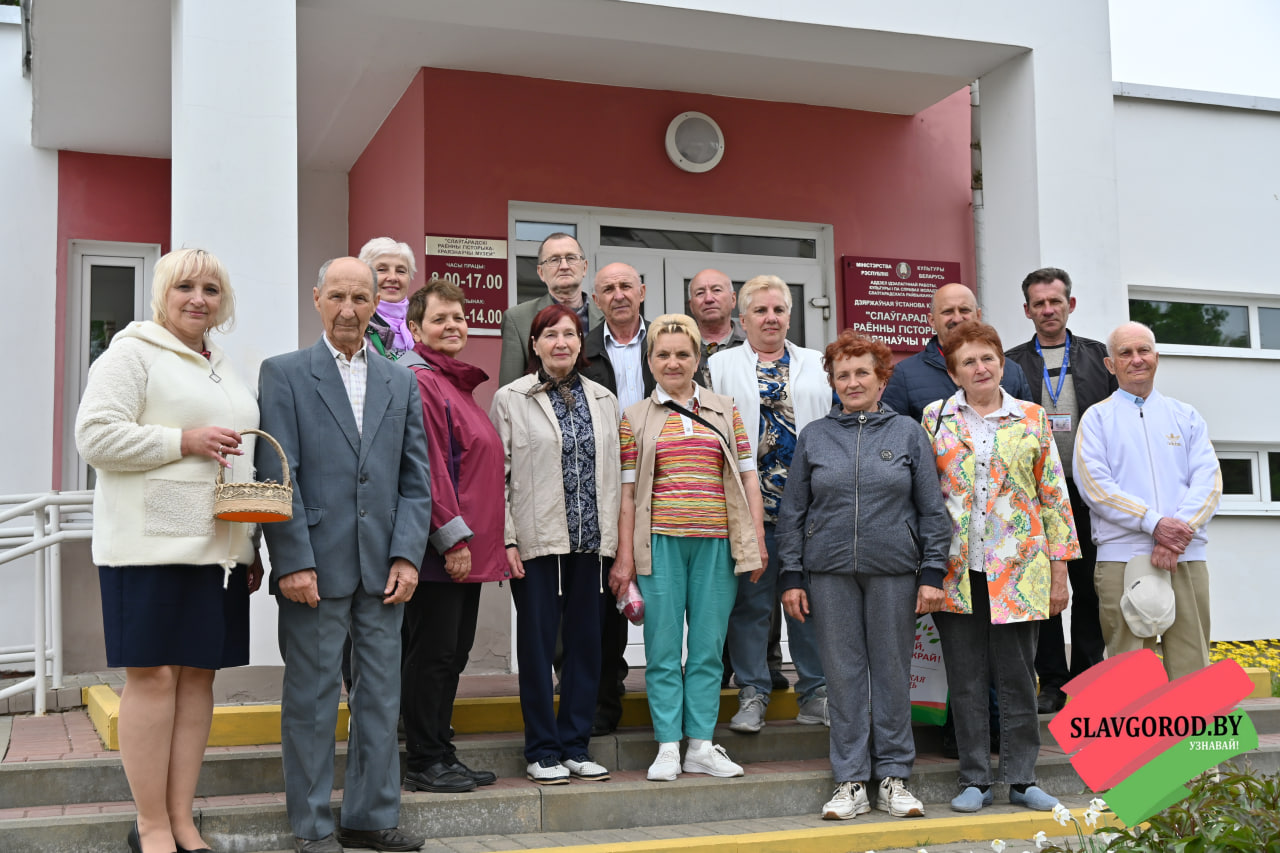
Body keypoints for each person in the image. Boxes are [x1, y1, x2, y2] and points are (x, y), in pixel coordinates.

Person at [75, 248, 263, 853]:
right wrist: (183, 439)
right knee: (153, 677)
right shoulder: (131, 353)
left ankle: (182, 820)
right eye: (185, 286)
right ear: (162, 292)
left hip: (219, 548)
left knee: (197, 679)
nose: (198, 298)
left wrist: (251, 542)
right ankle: (150, 825)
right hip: (147, 547)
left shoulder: (223, 366)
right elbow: (94, 436)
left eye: (211, 288)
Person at [257, 257, 432, 853]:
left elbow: (416, 480)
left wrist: (408, 555)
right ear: (317, 299)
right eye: (337, 296)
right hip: (314, 566)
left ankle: (370, 817)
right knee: (311, 701)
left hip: (384, 569)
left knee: (381, 697)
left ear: (376, 305)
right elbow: (277, 474)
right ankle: (311, 826)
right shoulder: (283, 374)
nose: (349, 309)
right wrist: (292, 560)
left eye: (361, 298)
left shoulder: (400, 380)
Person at [778, 331, 950, 821]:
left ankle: (894, 777)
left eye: (862, 373)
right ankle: (850, 780)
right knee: (843, 676)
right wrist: (792, 574)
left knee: (893, 673)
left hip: (895, 571)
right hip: (828, 573)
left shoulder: (908, 433)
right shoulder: (814, 436)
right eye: (842, 375)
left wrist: (932, 571)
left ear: (881, 380)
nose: (852, 382)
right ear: (832, 382)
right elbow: (793, 511)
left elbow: (932, 509)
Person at [921, 321, 1079, 815]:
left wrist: (1059, 572)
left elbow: (1054, 497)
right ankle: (975, 777)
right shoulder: (936, 417)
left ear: (1001, 363)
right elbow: (924, 495)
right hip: (956, 569)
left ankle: (1022, 778)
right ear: (954, 372)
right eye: (967, 362)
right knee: (966, 678)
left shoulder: (1031, 417)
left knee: (1017, 676)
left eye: (987, 358)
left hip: (1020, 569)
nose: (980, 368)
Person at [612, 314, 767, 781]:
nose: (673, 362)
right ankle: (666, 746)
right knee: (661, 650)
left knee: (706, 650)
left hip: (716, 545)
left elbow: (748, 478)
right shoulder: (634, 417)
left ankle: (699, 745)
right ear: (650, 361)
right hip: (659, 545)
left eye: (683, 354)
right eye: (663, 354)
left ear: (698, 358)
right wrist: (624, 558)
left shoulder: (725, 409)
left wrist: (756, 539)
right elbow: (627, 494)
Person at [490, 304, 620, 785]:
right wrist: (506, 540)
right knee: (538, 645)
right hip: (536, 541)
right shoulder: (510, 398)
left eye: (569, 333)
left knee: (587, 645)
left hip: (591, 543)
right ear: (535, 345)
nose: (560, 342)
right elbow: (498, 476)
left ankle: (575, 746)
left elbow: (616, 475)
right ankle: (542, 749)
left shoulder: (604, 399)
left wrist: (617, 546)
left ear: (580, 343)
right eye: (550, 335)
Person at [399, 278, 507, 795]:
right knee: (433, 655)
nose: (452, 326)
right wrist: (451, 539)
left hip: (466, 551)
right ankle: (424, 759)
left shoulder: (455, 384)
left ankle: (441, 751)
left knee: (451, 655)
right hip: (442, 551)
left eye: (459, 318)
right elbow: (429, 469)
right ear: (414, 328)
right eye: (439, 319)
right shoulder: (422, 380)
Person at [709, 274, 829, 732]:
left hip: (810, 512)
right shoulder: (719, 366)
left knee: (807, 605)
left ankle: (815, 693)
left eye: (778, 309)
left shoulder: (816, 363)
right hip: (748, 510)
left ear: (790, 317)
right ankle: (753, 693)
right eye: (760, 310)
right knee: (751, 606)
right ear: (743, 319)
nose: (770, 318)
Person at [1074, 321, 1222, 681]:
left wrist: (1174, 535)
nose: (1136, 359)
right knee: (1128, 672)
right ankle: (1133, 724)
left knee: (1192, 666)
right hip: (1122, 557)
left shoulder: (1185, 416)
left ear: (1157, 357)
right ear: (1111, 365)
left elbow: (1209, 481)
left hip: (1185, 555)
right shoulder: (1096, 419)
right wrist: (1154, 524)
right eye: (1125, 353)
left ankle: (1192, 724)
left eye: (1143, 351)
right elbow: (1096, 487)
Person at [1004, 267, 1114, 712]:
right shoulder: (1010, 364)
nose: (1048, 310)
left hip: (1088, 495)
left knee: (1089, 588)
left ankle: (1086, 680)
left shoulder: (1100, 357)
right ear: (1027, 310)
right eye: (1039, 303)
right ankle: (1051, 681)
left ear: (1071, 305)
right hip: (1033, 496)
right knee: (1040, 588)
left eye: (1055, 301)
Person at [579, 261, 655, 735]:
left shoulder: (665, 341)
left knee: (661, 593)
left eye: (626, 285)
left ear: (642, 291)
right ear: (596, 300)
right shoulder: (582, 350)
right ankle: (603, 701)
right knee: (605, 598)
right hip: (600, 488)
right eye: (608, 288)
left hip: (662, 484)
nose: (619, 294)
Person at [881, 283, 1033, 422]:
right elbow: (890, 432)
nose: (958, 318)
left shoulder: (1012, 370)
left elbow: (1029, 425)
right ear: (932, 320)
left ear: (978, 315)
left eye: (964, 310)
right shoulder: (905, 374)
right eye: (948, 311)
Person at [498, 232, 605, 386]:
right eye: (554, 260)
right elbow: (509, 391)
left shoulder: (607, 315)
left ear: (585, 267)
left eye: (571, 258)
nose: (564, 266)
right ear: (541, 272)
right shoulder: (517, 320)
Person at [357, 237, 422, 363]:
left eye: (401, 271)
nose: (393, 277)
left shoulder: (424, 324)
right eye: (382, 270)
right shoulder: (351, 324)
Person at [687, 268, 746, 389]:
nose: (708, 299)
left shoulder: (753, 345)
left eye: (717, 290)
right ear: (691, 306)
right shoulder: (681, 347)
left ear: (733, 299)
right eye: (700, 293)